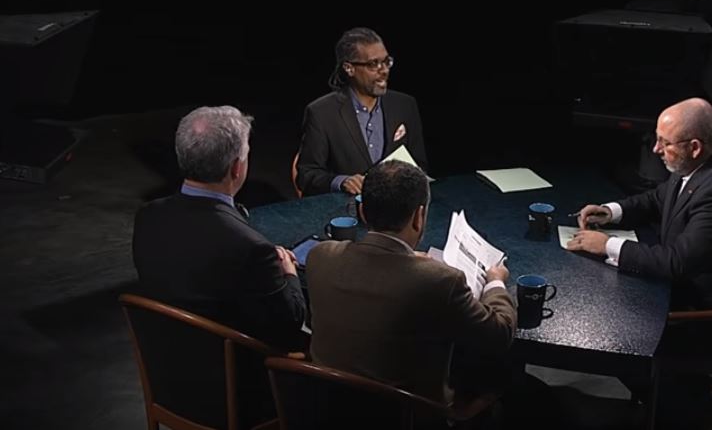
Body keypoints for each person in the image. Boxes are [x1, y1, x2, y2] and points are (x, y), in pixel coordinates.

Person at [567, 97, 712, 430]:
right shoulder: (705, 163)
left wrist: (607, 245)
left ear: (694, 146)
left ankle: (698, 415)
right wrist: (612, 211)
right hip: (697, 289)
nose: (655, 150)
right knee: (618, 302)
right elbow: (659, 197)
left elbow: (676, 262)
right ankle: (693, 388)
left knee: (617, 335)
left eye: (665, 143)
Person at [304, 159, 516, 411]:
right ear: (419, 216)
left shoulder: (320, 256)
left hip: (328, 413)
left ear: (362, 212)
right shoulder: (442, 281)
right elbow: (499, 334)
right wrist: (495, 284)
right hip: (410, 419)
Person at [132, 106, 307, 351]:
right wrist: (289, 272)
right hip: (237, 374)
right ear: (237, 167)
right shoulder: (252, 249)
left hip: (166, 362)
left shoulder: (147, 217)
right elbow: (289, 323)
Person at [296, 27, 429, 196]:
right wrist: (341, 181)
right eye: (374, 64)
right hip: (347, 210)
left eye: (386, 61)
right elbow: (306, 175)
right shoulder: (322, 113)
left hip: (397, 208)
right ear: (349, 68)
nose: (384, 71)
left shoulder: (405, 105)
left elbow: (419, 165)